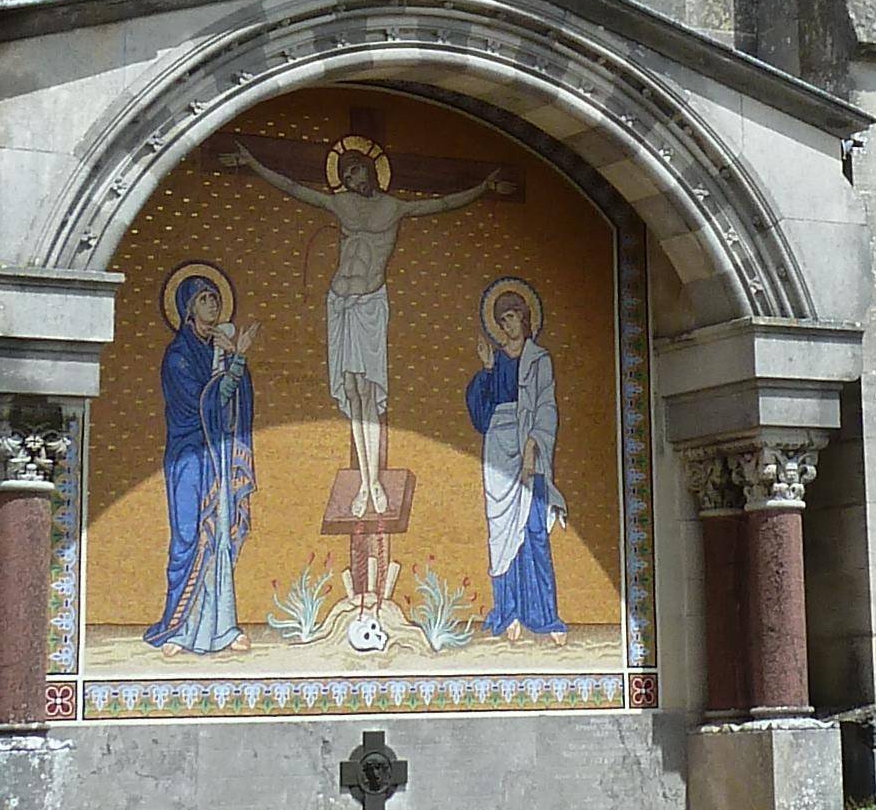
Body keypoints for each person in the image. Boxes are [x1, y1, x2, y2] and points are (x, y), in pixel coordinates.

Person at [223, 130, 513, 501]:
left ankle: (373, 481)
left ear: (371, 171)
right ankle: (365, 479)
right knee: (353, 391)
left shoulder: (395, 208)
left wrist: (482, 188)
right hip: (340, 302)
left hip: (369, 304)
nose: (351, 181)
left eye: (357, 172)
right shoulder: (339, 204)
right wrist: (253, 164)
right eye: (346, 176)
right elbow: (294, 188)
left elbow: (442, 204)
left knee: (370, 390)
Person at [145, 267, 255, 651]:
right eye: (205, 298)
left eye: (216, 297)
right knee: (189, 536)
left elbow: (235, 400)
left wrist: (232, 362)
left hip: (219, 456)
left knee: (220, 533)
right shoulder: (178, 357)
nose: (214, 303)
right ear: (189, 309)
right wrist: (236, 361)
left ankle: (222, 628)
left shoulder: (217, 349)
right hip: (190, 456)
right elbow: (205, 402)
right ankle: (177, 628)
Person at [468, 278, 566, 639]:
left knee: (535, 530)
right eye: (502, 318)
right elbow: (482, 412)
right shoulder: (495, 361)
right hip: (497, 444)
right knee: (501, 532)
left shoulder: (539, 360)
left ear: (526, 320)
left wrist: (531, 449)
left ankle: (545, 616)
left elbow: (546, 408)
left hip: (529, 450)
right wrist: (488, 370)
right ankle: (507, 612)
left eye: (512, 317)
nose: (507, 324)